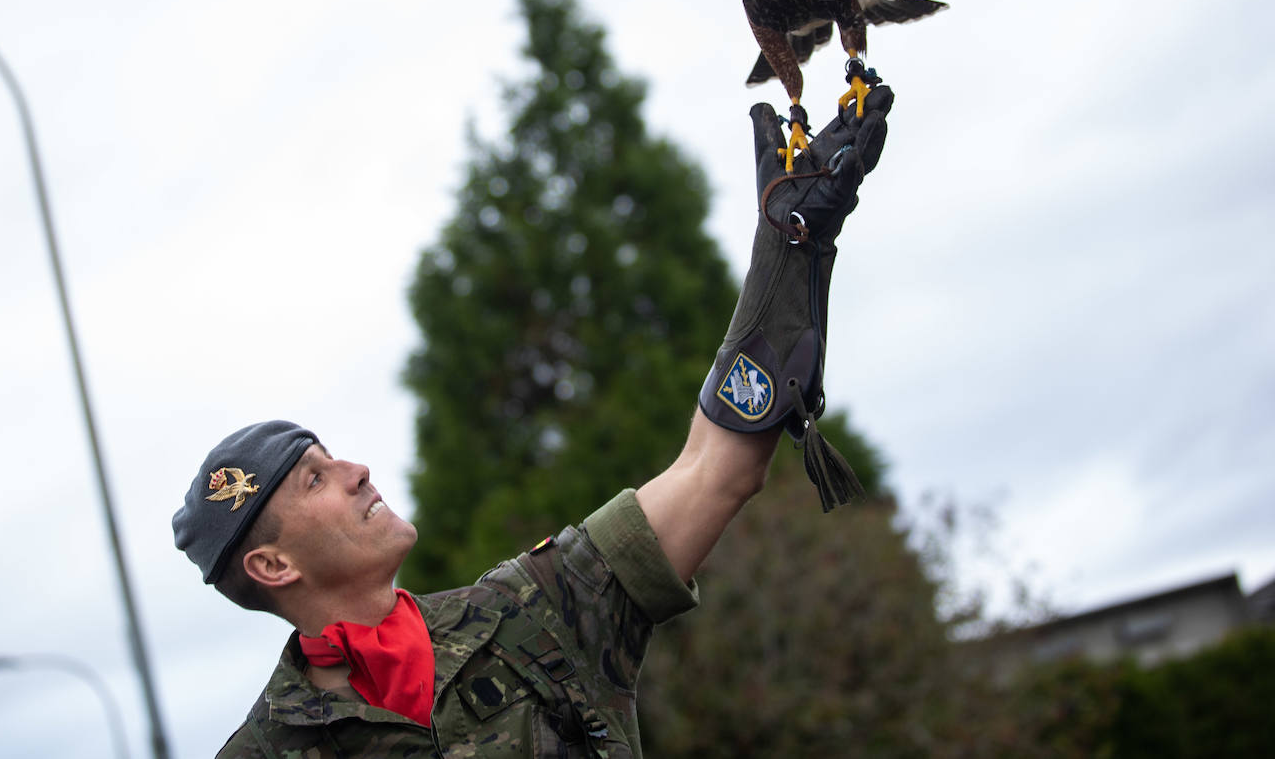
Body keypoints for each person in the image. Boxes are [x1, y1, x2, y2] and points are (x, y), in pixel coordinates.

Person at [173, 88, 893, 757]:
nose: (358, 469)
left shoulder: (535, 609)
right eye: (315, 478)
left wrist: (788, 245)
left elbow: (717, 468)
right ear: (272, 564)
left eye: (332, 456)